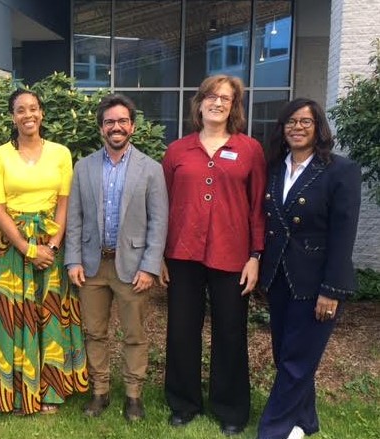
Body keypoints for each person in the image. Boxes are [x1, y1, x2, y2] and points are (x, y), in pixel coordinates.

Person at [161, 75, 266, 436]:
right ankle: (183, 403)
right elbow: (165, 206)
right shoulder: (177, 150)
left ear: (234, 106)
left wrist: (255, 255)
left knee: (231, 333)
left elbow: (257, 208)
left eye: (226, 98)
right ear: (200, 102)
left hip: (231, 255)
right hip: (182, 253)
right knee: (181, 331)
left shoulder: (249, 149)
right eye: (211, 96)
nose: (217, 103)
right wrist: (159, 254)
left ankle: (231, 408)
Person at [0, 89, 88, 415]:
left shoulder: (61, 153)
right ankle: (12, 390)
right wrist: (26, 248)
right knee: (13, 317)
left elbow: (65, 203)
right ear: (13, 116)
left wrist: (51, 246)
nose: (28, 115)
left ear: (41, 113)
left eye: (34, 109)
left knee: (50, 314)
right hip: (11, 248)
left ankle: (51, 391)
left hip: (51, 245)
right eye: (21, 110)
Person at [256, 98, 361, 439]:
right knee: (285, 355)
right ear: (281, 129)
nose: (297, 127)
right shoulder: (274, 168)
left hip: (316, 282)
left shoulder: (339, 170)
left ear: (318, 127)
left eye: (305, 121)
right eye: (290, 122)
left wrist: (332, 289)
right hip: (279, 279)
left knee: (296, 361)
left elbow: (344, 234)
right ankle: (306, 422)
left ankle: (272, 430)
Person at [65, 93, 168, 422]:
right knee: (95, 333)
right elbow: (75, 218)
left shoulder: (150, 169)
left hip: (133, 267)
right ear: (101, 129)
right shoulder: (83, 167)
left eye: (122, 121)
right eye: (110, 121)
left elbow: (159, 222)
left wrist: (151, 266)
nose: (116, 126)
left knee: (135, 334)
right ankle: (100, 390)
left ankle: (134, 395)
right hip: (93, 266)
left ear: (132, 127)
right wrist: (73, 260)